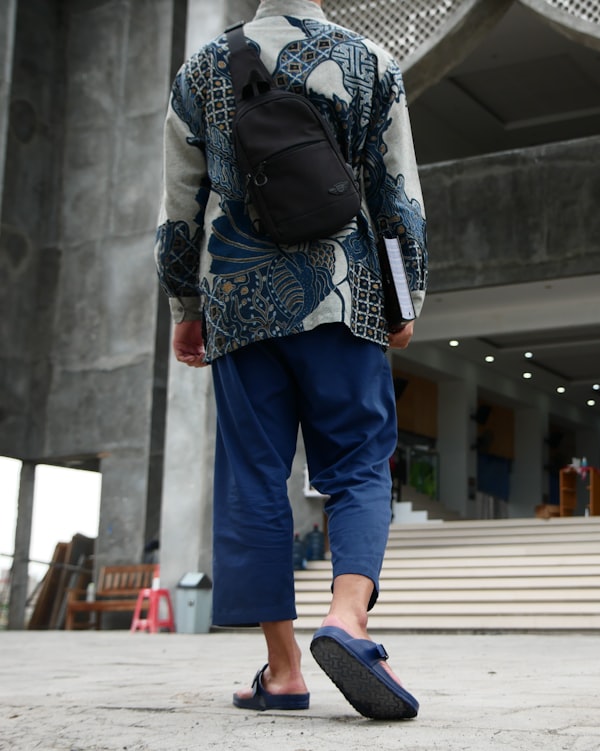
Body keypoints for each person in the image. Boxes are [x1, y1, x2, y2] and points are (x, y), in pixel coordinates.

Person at [155, 0, 427, 720]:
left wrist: (187, 309)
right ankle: (349, 618)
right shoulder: (372, 63)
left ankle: (282, 669)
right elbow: (397, 197)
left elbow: (179, 206)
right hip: (343, 293)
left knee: (254, 473)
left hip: (238, 302)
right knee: (360, 462)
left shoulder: (200, 70)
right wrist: (405, 299)